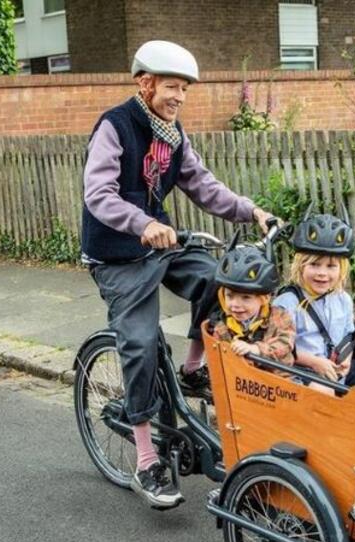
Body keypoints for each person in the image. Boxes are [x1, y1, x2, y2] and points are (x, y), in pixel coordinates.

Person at [82, 40, 275, 510]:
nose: (179, 97)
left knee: (219, 280)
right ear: (144, 83)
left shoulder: (172, 133)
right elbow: (98, 194)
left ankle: (192, 369)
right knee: (142, 343)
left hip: (161, 245)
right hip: (117, 256)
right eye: (172, 86)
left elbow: (202, 185)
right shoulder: (115, 126)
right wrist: (143, 223)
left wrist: (250, 211)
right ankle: (148, 459)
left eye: (184, 89)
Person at [272, 213, 355, 396]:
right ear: (300, 266)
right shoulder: (286, 302)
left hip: (335, 366)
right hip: (303, 369)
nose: (322, 273)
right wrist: (315, 363)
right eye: (315, 265)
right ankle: (332, 423)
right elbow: (278, 347)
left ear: (342, 269)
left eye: (331, 266)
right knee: (324, 389)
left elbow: (347, 336)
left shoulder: (343, 299)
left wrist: (347, 360)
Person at [209, 240, 296, 376]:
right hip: (241, 385)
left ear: (264, 298)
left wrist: (256, 349)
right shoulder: (222, 325)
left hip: (279, 384)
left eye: (246, 298)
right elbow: (218, 357)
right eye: (230, 296)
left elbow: (285, 344)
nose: (235, 304)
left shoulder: (280, 317)